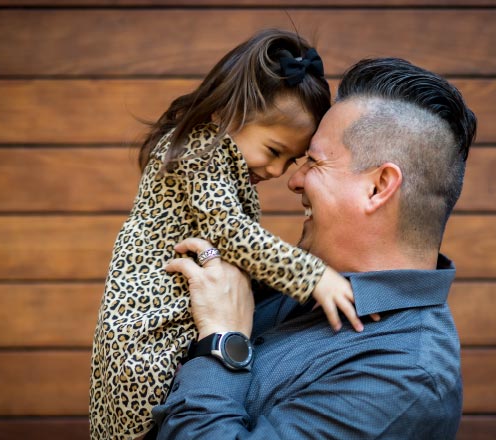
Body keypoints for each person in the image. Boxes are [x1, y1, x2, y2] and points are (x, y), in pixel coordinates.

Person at [156, 57, 477, 439]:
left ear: (377, 187)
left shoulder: (404, 377)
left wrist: (223, 342)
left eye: (314, 161)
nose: (293, 180)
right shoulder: (302, 276)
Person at [90, 29, 366, 440]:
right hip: (144, 335)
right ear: (228, 113)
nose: (276, 172)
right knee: (144, 427)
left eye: (291, 161)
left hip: (166, 329)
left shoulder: (219, 159)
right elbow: (231, 234)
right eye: (274, 151)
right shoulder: (198, 152)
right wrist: (313, 276)